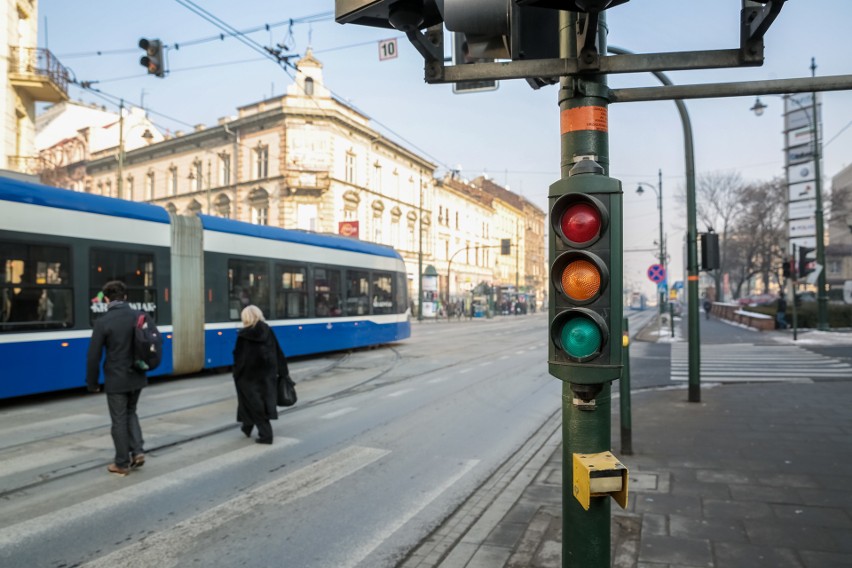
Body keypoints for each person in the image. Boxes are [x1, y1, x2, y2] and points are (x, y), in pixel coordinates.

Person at [86, 280, 147, 477]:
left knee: (119, 419)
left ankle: (121, 463)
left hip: (116, 378)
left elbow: (93, 355)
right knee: (131, 412)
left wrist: (92, 382)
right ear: (125, 297)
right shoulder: (139, 316)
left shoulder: (104, 321)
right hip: (137, 375)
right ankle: (137, 451)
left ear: (106, 300)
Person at [233, 305, 288, 444]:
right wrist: (283, 372)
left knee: (254, 404)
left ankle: (266, 435)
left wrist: (236, 375)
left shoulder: (243, 336)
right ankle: (247, 427)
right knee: (257, 402)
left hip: (248, 377)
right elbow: (278, 352)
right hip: (267, 375)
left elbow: (239, 358)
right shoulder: (268, 331)